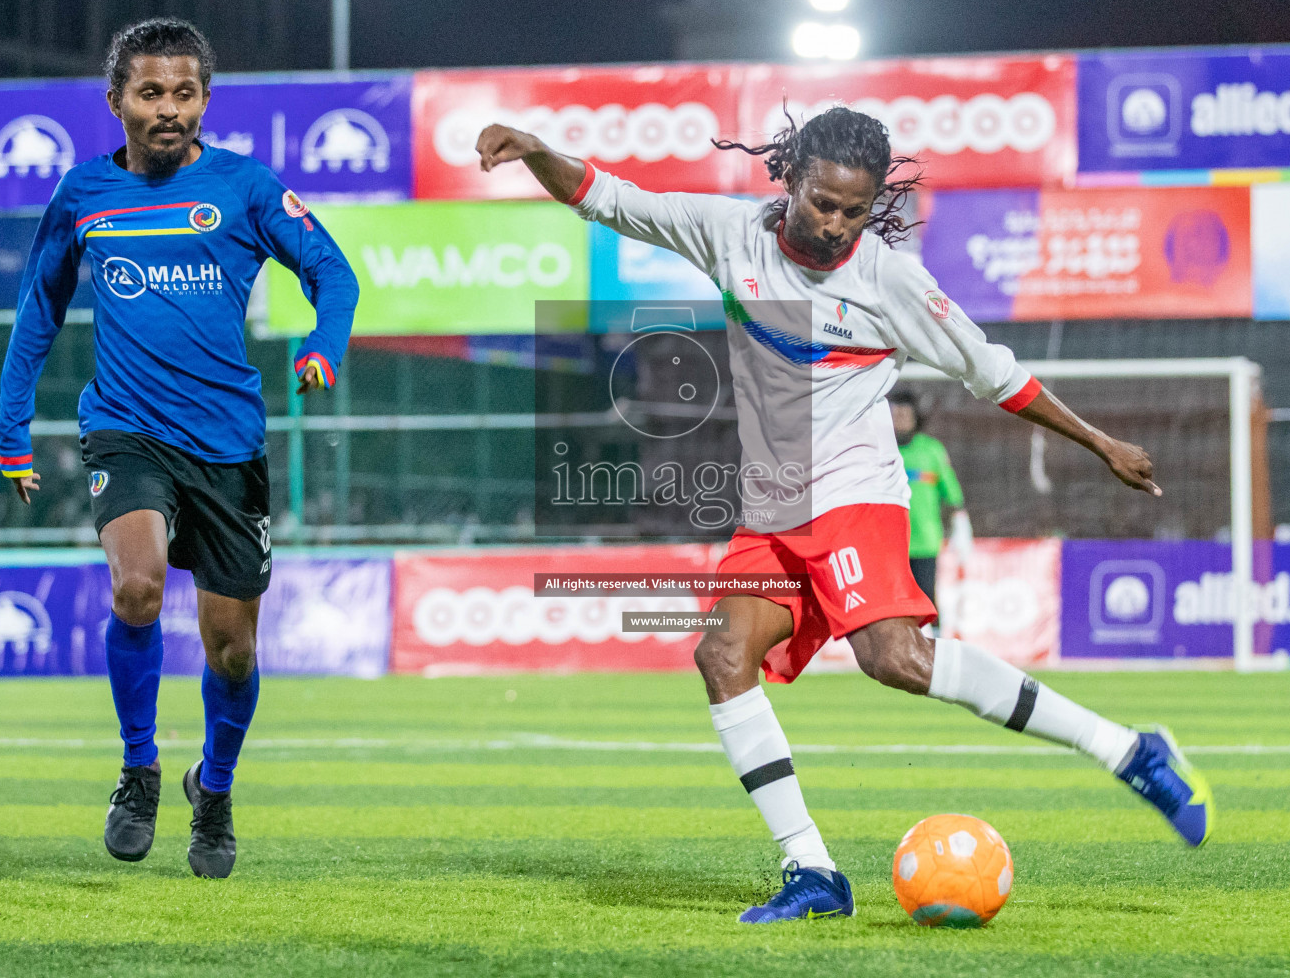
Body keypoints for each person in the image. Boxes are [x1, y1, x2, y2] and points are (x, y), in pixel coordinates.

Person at [475, 106, 1213, 926]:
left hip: (856, 492)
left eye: (853, 211)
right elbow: (607, 197)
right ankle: (812, 871)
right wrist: (539, 148)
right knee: (723, 658)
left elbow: (992, 372)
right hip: (772, 503)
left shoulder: (890, 281)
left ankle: (1124, 749)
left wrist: (1099, 441)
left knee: (893, 659)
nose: (834, 225)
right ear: (790, 179)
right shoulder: (728, 234)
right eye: (822, 203)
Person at [0, 18, 358, 879]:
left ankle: (215, 788)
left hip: (228, 445)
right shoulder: (82, 195)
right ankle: (138, 770)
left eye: (184, 93)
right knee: (137, 588)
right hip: (127, 429)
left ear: (204, 100)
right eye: (150, 92)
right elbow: (37, 311)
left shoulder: (244, 186)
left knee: (232, 648)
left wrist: (323, 346)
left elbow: (333, 273)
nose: (168, 109)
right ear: (116, 99)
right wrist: (13, 431)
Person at [889, 390, 971, 606]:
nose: (901, 421)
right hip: (889, 544)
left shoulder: (931, 450)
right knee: (894, 605)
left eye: (905, 416)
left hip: (924, 541)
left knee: (926, 600)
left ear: (916, 417)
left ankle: (931, 638)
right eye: (896, 416)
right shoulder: (880, 449)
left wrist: (960, 520)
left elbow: (950, 487)